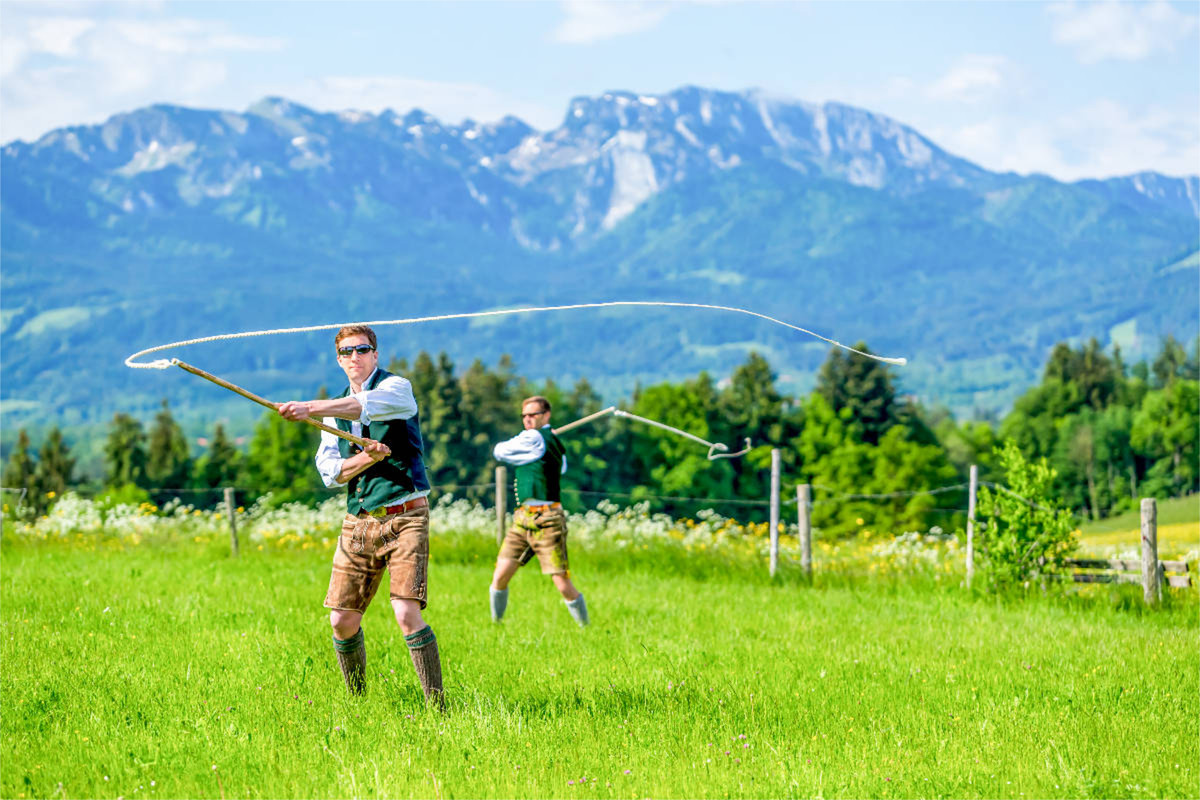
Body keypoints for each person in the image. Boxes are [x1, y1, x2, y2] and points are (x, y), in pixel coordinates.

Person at [277, 324, 443, 707]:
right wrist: (367, 457)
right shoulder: (332, 419)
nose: (355, 357)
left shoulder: (396, 388)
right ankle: (358, 702)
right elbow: (332, 474)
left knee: (405, 612)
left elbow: (364, 406)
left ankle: (437, 706)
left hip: (406, 514)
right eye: (347, 352)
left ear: (375, 354)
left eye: (362, 350)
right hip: (359, 521)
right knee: (341, 620)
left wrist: (308, 408)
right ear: (339, 360)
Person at [488, 395, 589, 627]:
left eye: (533, 414)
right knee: (501, 573)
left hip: (548, 519)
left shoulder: (533, 437)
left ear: (546, 415)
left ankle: (586, 629)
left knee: (562, 582)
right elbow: (559, 468)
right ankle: (496, 625)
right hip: (523, 518)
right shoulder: (553, 442)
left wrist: (528, 446)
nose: (527, 419)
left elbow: (499, 452)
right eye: (524, 415)